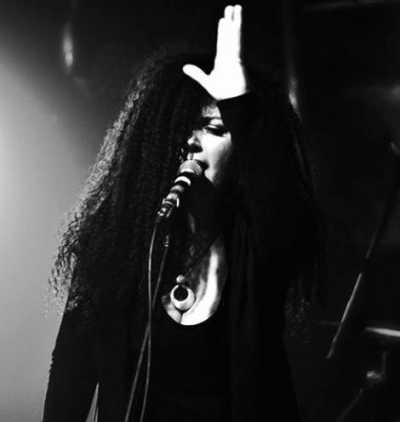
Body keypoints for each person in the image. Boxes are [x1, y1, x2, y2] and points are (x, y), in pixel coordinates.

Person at [42, 4, 325, 421]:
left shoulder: (255, 244)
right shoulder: (113, 245)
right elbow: (71, 371)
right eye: (180, 127)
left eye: (214, 129)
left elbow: (284, 215)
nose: (192, 141)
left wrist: (238, 106)